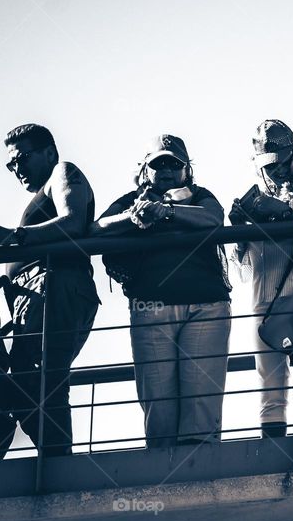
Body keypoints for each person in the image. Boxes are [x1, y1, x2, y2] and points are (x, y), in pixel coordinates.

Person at [93, 134, 231, 448]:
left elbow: (214, 218)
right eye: (158, 164)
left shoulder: (201, 195)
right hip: (150, 309)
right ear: (145, 170)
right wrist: (133, 216)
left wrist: (165, 211)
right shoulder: (131, 201)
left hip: (206, 307)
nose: (167, 171)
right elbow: (96, 228)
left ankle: (201, 482)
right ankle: (164, 483)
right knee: (160, 412)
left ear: (187, 170)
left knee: (201, 409)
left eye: (174, 164)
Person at [0, 123, 99, 457]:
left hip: (57, 283)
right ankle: (55, 459)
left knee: (43, 377)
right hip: (40, 292)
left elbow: (74, 221)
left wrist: (16, 237)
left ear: (49, 152)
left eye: (22, 158)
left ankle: (58, 465)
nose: (17, 169)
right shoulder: (40, 193)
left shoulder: (63, 172)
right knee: (30, 378)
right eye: (11, 164)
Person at [230, 120, 293, 438]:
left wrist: (282, 213)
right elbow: (244, 272)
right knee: (269, 386)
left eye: (281, 162)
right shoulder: (258, 201)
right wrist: (239, 234)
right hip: (264, 300)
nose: (276, 170)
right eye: (268, 165)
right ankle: (274, 463)